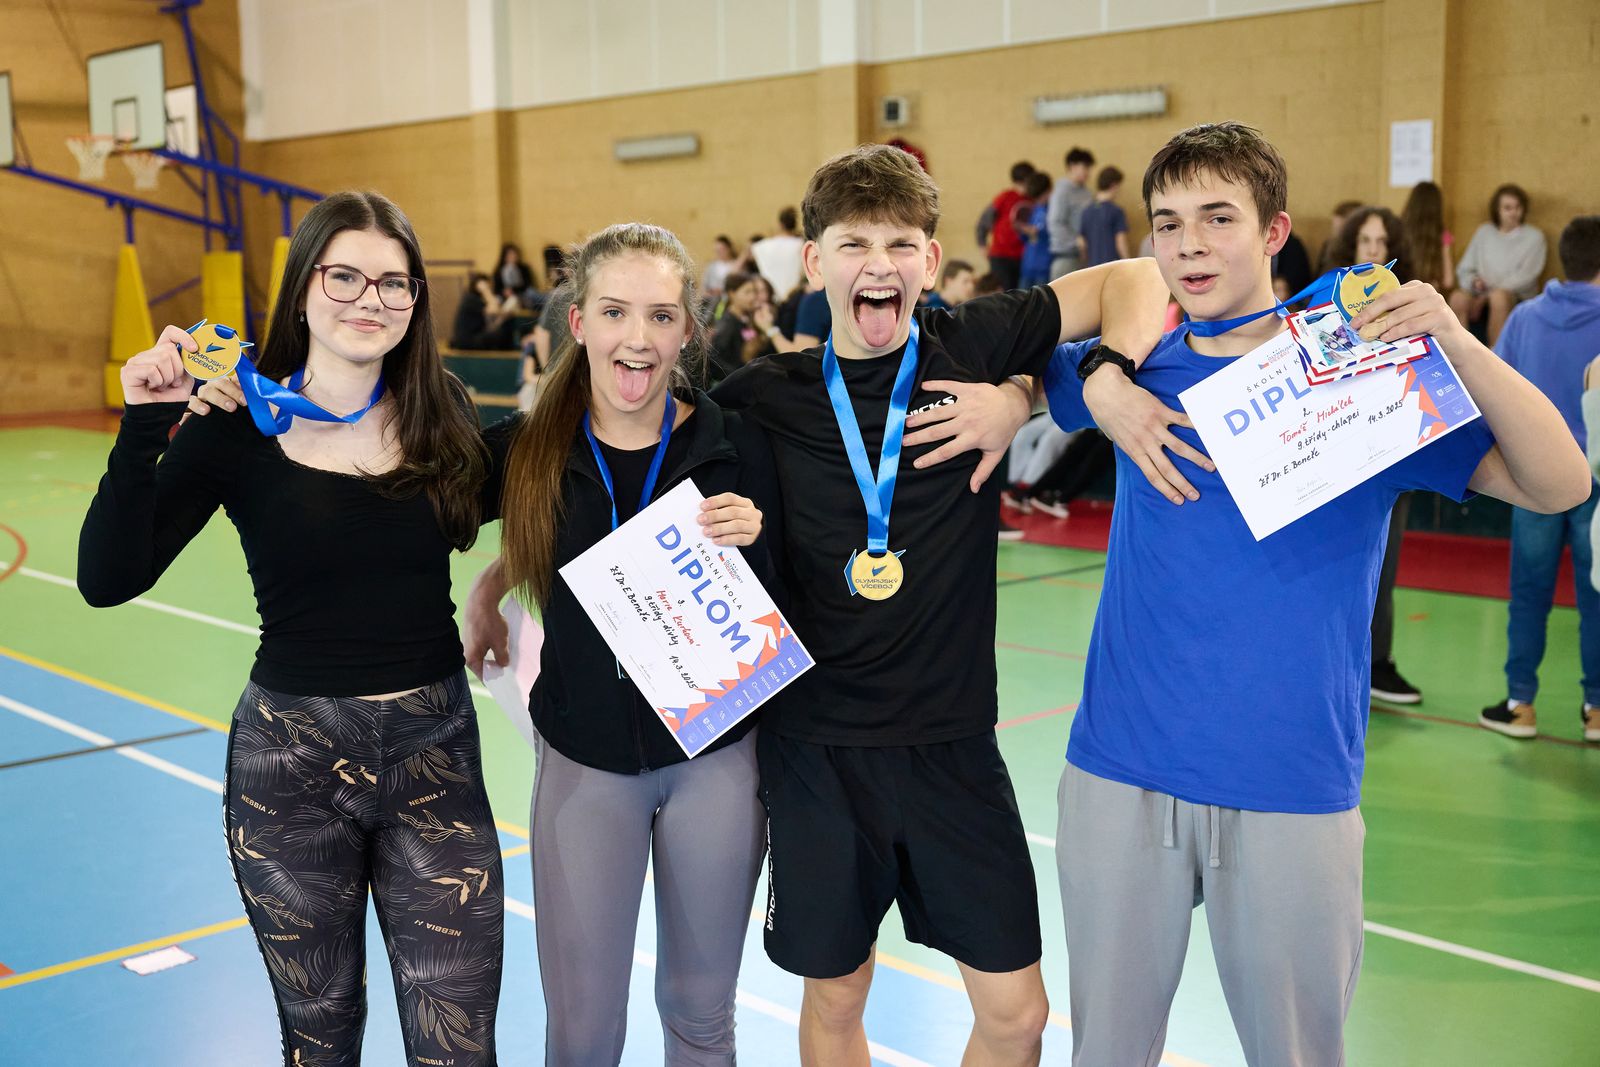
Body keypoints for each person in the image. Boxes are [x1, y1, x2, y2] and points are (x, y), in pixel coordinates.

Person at [1039, 121, 1589, 1067]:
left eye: (1218, 218)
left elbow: (1561, 482)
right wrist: (1093, 379)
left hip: (1291, 785)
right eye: (1167, 223)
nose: (1189, 245)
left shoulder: (1365, 375)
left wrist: (1455, 338)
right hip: (1120, 772)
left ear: (1275, 231)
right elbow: (1011, 348)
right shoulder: (1135, 365)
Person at [711, 143, 1170, 1066]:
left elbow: (1139, 276)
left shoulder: (971, 343)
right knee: (837, 998)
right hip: (818, 751)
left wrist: (1080, 379)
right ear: (814, 263)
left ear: (928, 258)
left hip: (954, 745)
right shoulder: (761, 398)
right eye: (853, 244)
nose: (877, 264)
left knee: (1017, 1014)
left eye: (899, 244)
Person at [78, 191, 506, 1066]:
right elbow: (108, 579)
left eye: (394, 282)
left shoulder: (446, 414)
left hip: (434, 762)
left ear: (415, 300)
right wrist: (146, 423)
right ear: (303, 288)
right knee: (320, 1041)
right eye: (344, 276)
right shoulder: (235, 423)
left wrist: (496, 585)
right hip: (290, 772)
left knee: (457, 1046)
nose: (369, 298)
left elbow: (551, 484)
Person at [471, 223, 779, 1064]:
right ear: (578, 323)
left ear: (687, 331)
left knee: (701, 1016)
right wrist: (491, 583)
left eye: (660, 316)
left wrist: (757, 538)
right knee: (582, 1030)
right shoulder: (527, 451)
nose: (636, 338)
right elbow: (403, 506)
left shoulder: (739, 447)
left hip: (716, 761)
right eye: (614, 312)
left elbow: (802, 591)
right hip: (586, 767)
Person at [1480, 215, 1600, 740]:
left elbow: (1492, 390)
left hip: (1533, 482)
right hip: (1595, 481)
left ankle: (1519, 704)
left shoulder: (1525, 318)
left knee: (1528, 594)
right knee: (1597, 596)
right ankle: (1597, 709)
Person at [1326, 205, 1424, 703]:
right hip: (1330, 451)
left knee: (1382, 563)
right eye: (1365, 240)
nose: (1372, 250)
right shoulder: (1321, 308)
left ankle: (1378, 662)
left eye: (1382, 242)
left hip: (1389, 450)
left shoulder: (1413, 308)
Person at [1450, 183, 1547, 345]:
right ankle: (1458, 349)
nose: (1514, 212)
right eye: (1507, 208)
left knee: (1498, 297)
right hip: (1479, 292)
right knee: (1457, 298)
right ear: (1497, 210)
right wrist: (1474, 282)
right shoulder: (1484, 232)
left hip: (1516, 297)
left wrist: (1488, 294)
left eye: (1518, 207)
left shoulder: (1534, 237)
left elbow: (1526, 277)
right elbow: (1464, 269)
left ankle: (1496, 353)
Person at [707, 271, 778, 383]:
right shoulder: (727, 325)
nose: (753, 297)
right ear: (732, 294)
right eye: (747, 292)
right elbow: (714, 361)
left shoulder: (748, 319)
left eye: (754, 291)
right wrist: (741, 377)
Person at [985, 160, 1036, 290]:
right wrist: (982, 243)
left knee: (1018, 292)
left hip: (1022, 256)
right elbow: (986, 220)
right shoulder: (1005, 197)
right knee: (1002, 291)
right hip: (1001, 254)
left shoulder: (1032, 200)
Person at [1048, 146, 1096, 278]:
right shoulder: (1061, 191)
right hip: (1066, 256)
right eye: (1084, 167)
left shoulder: (1087, 193)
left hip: (1084, 256)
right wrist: (1076, 241)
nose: (1087, 172)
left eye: (1089, 168)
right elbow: (1055, 223)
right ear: (1072, 166)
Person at [1401, 180, 1456, 293]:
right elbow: (1448, 281)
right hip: (1428, 295)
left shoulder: (1398, 230)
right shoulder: (1442, 235)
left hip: (1402, 293)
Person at [451, 271, 522, 350]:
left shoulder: (475, 298)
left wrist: (502, 319)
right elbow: (495, 310)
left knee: (507, 323)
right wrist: (485, 290)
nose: (491, 287)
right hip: (467, 341)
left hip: (473, 337)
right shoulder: (471, 299)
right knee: (503, 331)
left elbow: (493, 318)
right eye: (488, 285)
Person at [1077, 165, 1131, 268]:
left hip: (1092, 267)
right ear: (1114, 185)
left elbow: (1082, 244)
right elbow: (1120, 242)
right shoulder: (1116, 211)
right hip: (1112, 266)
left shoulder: (1086, 211)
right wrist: (1128, 263)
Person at [751, 207, 805, 296]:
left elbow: (749, 252)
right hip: (795, 295)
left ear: (780, 225)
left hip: (770, 295)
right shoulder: (801, 244)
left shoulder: (762, 246)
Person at [1017, 170, 1056, 288]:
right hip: (1028, 267)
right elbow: (1025, 238)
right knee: (1022, 298)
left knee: (1041, 298)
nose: (1039, 200)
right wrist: (1022, 230)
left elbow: (1053, 234)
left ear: (1049, 191)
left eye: (1042, 196)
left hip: (1044, 267)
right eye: (1036, 198)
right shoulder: (1034, 209)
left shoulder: (1054, 211)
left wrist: (1037, 232)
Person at [702, 233, 738, 300]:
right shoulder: (711, 266)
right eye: (717, 250)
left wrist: (722, 291)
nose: (719, 253)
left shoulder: (736, 265)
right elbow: (704, 286)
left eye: (722, 249)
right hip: (712, 300)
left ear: (729, 248)